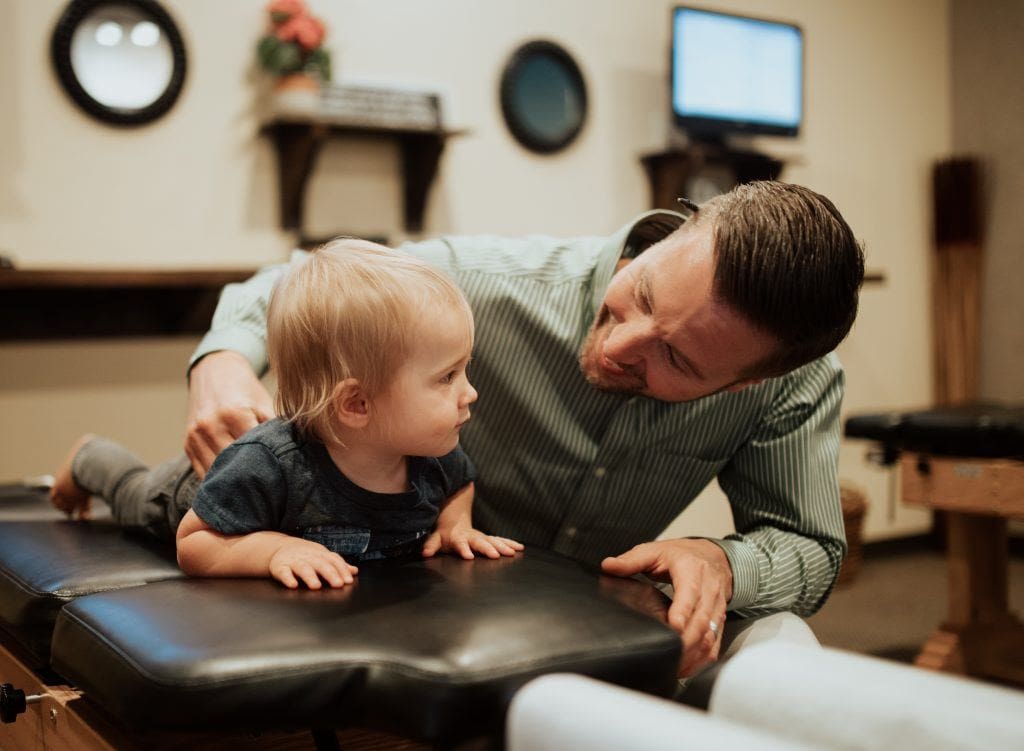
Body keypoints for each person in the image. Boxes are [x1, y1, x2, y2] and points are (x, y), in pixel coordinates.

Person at [154, 180, 865, 675]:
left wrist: (722, 561)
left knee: (783, 651)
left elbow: (811, 546)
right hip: (422, 608)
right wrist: (222, 361)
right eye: (643, 293)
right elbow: (297, 281)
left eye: (675, 359)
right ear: (678, 233)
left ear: (746, 382)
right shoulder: (483, 281)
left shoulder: (792, 385)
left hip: (582, 631)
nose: (619, 346)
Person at [50, 240, 522, 589]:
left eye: (464, 370)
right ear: (356, 404)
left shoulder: (433, 452)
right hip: (202, 494)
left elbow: (460, 484)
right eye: (447, 377)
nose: (470, 392)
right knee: (134, 494)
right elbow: (195, 543)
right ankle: (91, 457)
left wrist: (454, 525)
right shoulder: (266, 464)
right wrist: (275, 548)